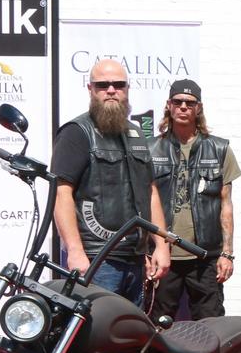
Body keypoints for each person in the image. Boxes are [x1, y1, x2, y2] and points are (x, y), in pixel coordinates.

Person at [50, 58, 171, 304]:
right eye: (103, 85)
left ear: (127, 88)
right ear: (90, 89)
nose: (111, 90)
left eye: (118, 84)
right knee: (93, 336)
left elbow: (150, 191)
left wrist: (160, 244)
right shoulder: (76, 132)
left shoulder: (136, 133)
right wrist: (74, 251)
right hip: (97, 258)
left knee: (128, 337)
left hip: (135, 259)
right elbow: (61, 194)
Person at [148, 79, 241, 320]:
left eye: (189, 103)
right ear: (168, 105)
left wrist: (227, 253)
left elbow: (226, 205)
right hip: (163, 255)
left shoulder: (219, 149)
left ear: (198, 108)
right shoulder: (150, 149)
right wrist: (145, 254)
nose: (183, 107)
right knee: (156, 325)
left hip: (205, 256)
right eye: (177, 102)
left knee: (211, 326)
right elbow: (143, 204)